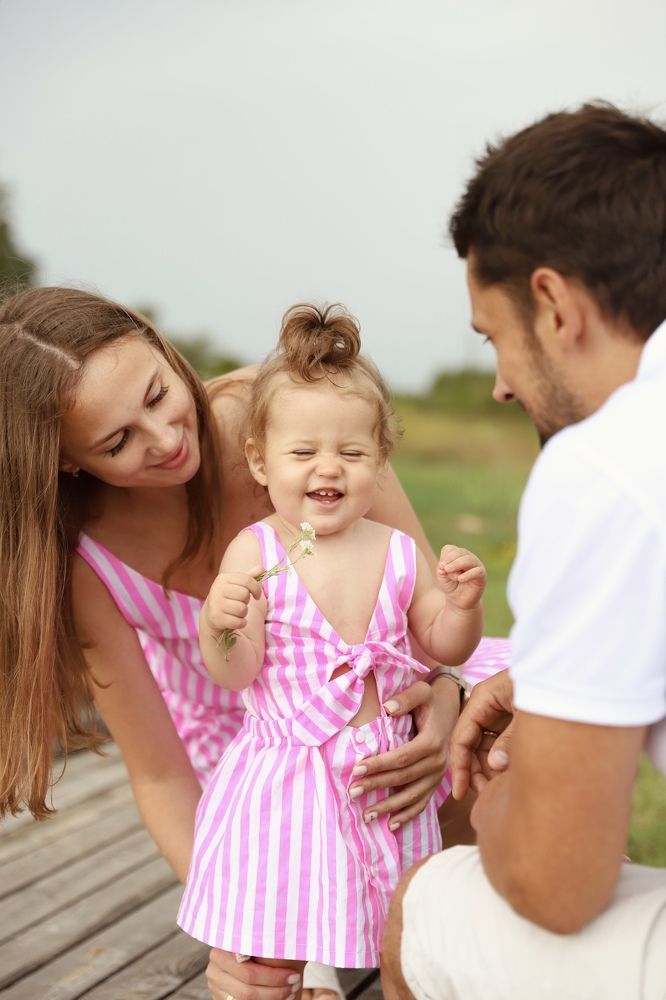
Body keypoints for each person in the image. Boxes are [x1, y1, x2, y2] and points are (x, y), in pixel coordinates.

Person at [0, 286, 509, 1000]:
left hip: (392, 710)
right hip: (257, 755)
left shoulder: (305, 419)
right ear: (66, 463)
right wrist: (234, 927)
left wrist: (451, 699)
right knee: (271, 962)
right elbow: (161, 776)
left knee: (510, 743)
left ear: (165, 350)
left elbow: (426, 622)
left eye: (157, 393)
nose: (164, 438)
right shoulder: (90, 567)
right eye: (118, 441)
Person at [381, 101, 666, 1000]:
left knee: (424, 903)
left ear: (551, 304)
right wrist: (545, 681)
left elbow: (556, 886)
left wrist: (500, 799)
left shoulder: (607, 461)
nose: (501, 384)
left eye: (493, 337)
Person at [177, 303, 486, 974]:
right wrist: (220, 626)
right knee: (296, 897)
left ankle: (403, 975)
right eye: (303, 452)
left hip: (380, 767)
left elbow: (442, 645)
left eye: (351, 452)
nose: (329, 468)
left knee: (393, 907)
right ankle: (305, 973)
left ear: (380, 459)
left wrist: (464, 605)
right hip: (293, 771)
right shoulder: (255, 551)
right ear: (260, 462)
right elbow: (237, 672)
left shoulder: (398, 551)